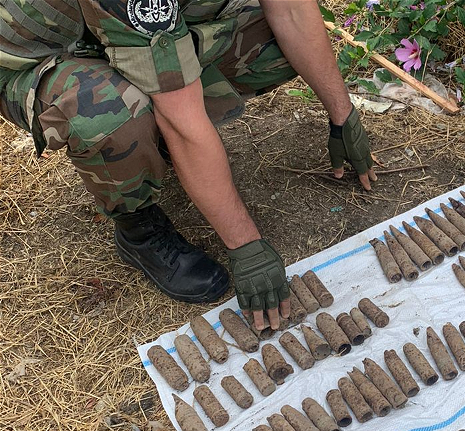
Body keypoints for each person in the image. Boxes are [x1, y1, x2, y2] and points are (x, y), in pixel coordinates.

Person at [0, 0, 376, 331]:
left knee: (269, 41)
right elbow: (182, 123)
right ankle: (137, 227)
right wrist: (247, 247)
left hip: (110, 32)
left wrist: (342, 116)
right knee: (108, 110)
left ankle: (161, 143)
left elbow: (292, 11)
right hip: (34, 60)